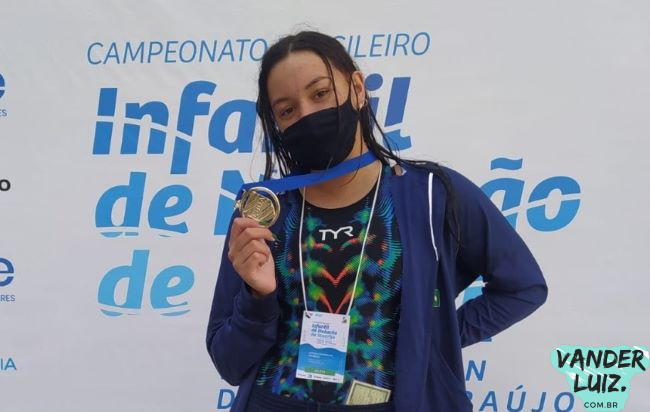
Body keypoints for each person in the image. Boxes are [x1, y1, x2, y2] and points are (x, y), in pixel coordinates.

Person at [206, 31, 548, 412]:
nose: (307, 115)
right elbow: (228, 361)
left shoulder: (431, 194)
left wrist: (434, 339)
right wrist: (257, 299)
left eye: (320, 93)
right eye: (287, 110)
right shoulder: (263, 211)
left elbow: (523, 286)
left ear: (357, 88)